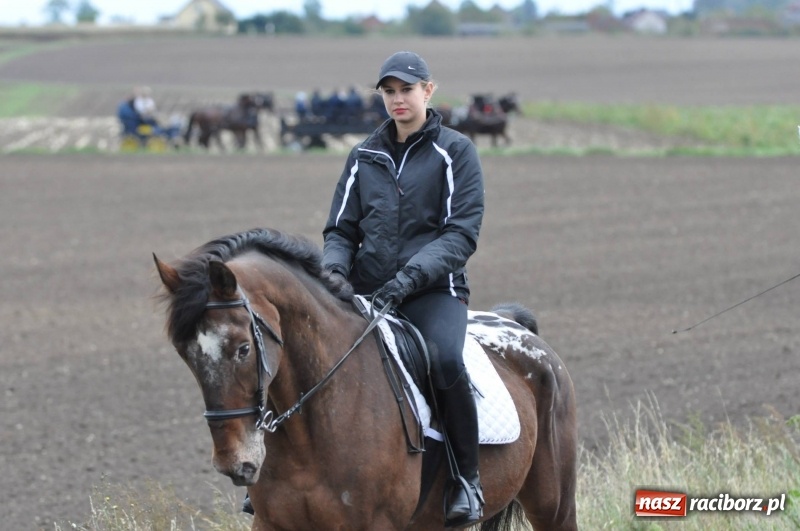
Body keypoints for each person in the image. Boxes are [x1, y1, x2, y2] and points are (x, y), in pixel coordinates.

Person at [321, 51, 486, 527]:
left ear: (428, 91)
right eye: (389, 92)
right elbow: (340, 231)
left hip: (433, 292)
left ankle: (466, 480)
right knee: (305, 354)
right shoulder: (363, 156)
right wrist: (334, 273)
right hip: (365, 293)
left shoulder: (455, 152)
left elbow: (460, 234)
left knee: (446, 360)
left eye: (406, 90)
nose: (397, 99)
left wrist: (409, 278)